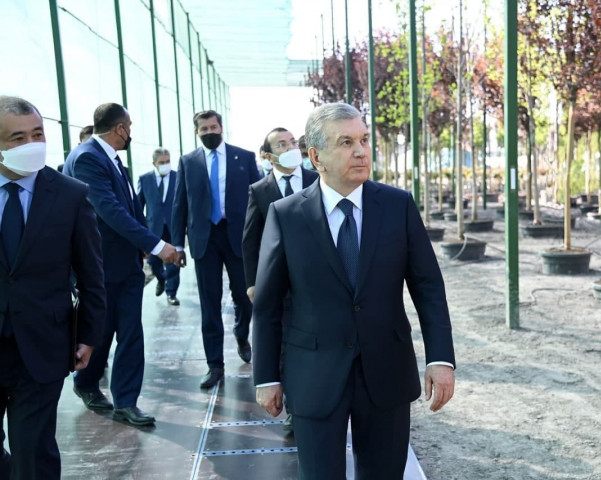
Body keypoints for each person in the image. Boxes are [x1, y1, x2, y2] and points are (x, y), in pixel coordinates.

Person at [252, 102, 456, 479]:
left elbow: (428, 287)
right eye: (346, 142)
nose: (361, 151)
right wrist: (266, 376)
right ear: (316, 157)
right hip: (313, 376)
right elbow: (266, 306)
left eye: (363, 140)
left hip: (386, 373)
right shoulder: (286, 215)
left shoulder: (397, 206)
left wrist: (441, 359)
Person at [0, 96, 105, 479]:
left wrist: (89, 336)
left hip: (42, 343)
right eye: (17, 138)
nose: (31, 144)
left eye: (37, 134)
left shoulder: (70, 194)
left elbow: (91, 273)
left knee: (33, 451)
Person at [64, 102, 178, 426]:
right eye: (129, 127)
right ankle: (87, 384)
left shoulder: (112, 160)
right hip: (101, 265)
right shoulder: (87, 158)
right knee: (101, 331)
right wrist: (157, 245)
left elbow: (131, 208)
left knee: (129, 332)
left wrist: (143, 245)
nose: (130, 134)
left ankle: (125, 401)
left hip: (125, 264)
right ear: (120, 128)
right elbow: (109, 211)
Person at [172, 109, 261, 389]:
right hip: (204, 240)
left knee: (245, 297)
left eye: (213, 127)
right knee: (209, 304)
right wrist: (177, 244)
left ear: (221, 128)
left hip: (238, 237)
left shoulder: (243, 157)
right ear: (196, 132)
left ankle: (241, 333)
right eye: (204, 129)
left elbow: (258, 198)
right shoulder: (188, 161)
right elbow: (180, 203)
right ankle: (215, 365)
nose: (209, 132)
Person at [243, 127, 319, 303]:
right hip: (277, 278)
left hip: (316, 273)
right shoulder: (259, 190)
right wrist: (252, 283)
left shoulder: (317, 181)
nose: (290, 148)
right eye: (282, 145)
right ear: (269, 157)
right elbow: (250, 239)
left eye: (293, 142)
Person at [138, 148, 181, 306]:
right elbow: (138, 205)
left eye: (168, 161)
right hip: (153, 228)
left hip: (173, 227)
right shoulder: (145, 179)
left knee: (174, 262)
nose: (165, 165)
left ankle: (171, 293)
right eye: (162, 162)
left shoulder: (178, 177)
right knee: (153, 261)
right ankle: (161, 278)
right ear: (154, 163)